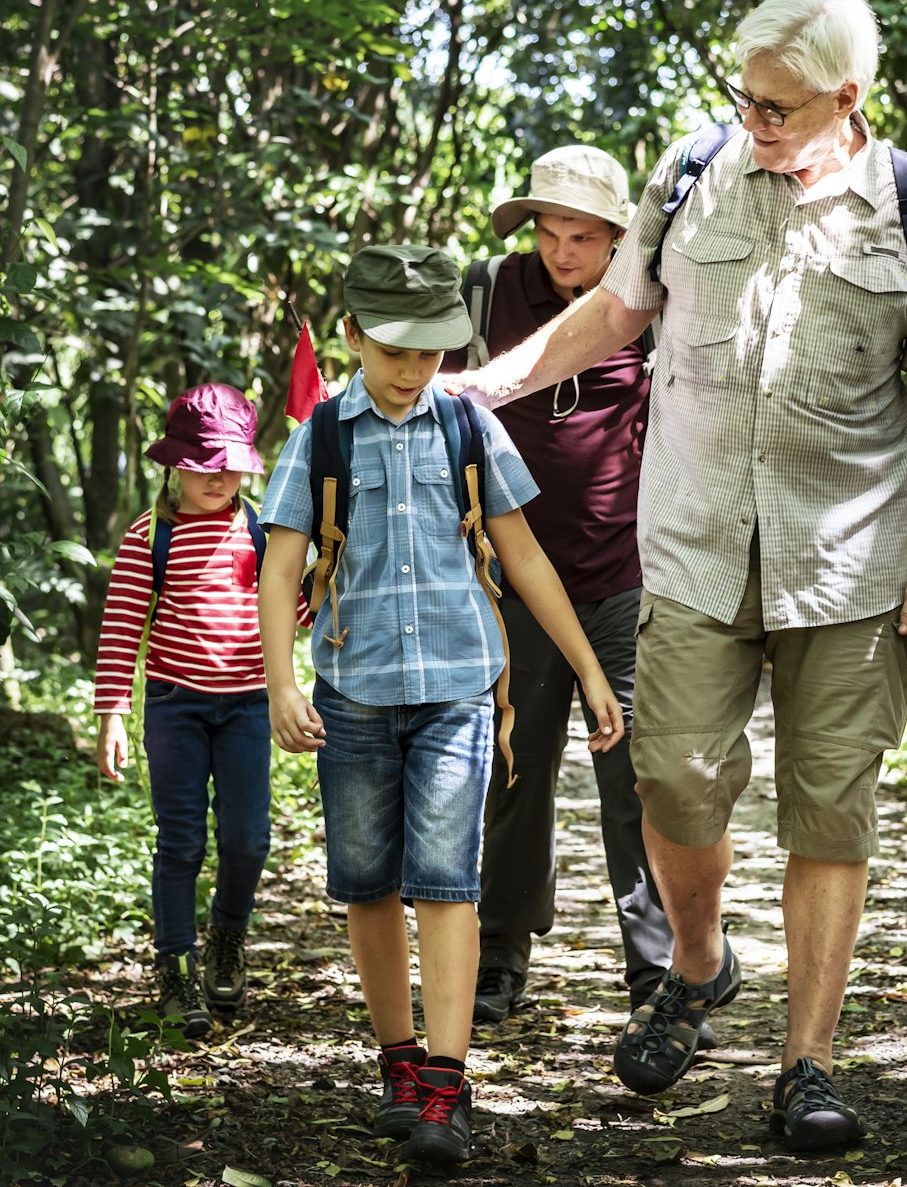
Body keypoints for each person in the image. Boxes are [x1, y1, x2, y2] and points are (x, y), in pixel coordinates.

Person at [449, 0, 907, 1151]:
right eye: (742, 97)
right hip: (691, 543)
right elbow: (613, 314)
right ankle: (698, 961)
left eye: (779, 106)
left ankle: (807, 1062)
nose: (754, 118)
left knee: (828, 809)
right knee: (677, 779)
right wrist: (474, 387)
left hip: (849, 560)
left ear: (847, 99)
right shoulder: (693, 170)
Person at [256, 245, 625, 1168]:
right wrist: (280, 683)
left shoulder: (468, 428)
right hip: (355, 694)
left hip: (460, 690)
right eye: (395, 350)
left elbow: (526, 555)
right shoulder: (322, 436)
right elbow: (281, 569)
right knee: (369, 883)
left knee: (447, 880)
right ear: (353, 336)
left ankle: (447, 1086)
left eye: (430, 351)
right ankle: (398, 1062)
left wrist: (585, 666)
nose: (413, 369)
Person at [441, 147, 685, 1029]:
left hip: (628, 572)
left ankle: (656, 969)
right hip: (513, 579)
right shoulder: (487, 294)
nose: (562, 251)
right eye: (548, 232)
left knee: (636, 773)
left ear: (620, 236)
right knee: (517, 767)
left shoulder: (650, 303)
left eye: (582, 235)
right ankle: (502, 954)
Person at [92, 382, 281, 1039]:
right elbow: (121, 626)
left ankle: (227, 934)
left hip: (247, 708)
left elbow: (291, 611)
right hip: (174, 706)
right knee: (181, 841)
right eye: (206, 464)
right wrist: (112, 713)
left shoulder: (257, 528)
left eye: (232, 464)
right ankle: (174, 964)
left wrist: (323, 581)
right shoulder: (152, 533)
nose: (220, 477)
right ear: (175, 462)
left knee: (247, 837)